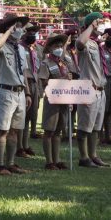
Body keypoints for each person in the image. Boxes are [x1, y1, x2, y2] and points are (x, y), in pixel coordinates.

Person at [0, 13, 32, 176]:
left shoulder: (21, 49)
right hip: (6, 91)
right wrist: (7, 31)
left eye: (20, 26)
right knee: (3, 130)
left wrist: (27, 92)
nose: (19, 29)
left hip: (19, 92)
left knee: (15, 130)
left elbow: (24, 72)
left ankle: (11, 162)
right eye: (16, 26)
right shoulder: (3, 45)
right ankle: (0, 165)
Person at [75, 13, 109, 168]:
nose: (99, 25)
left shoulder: (97, 44)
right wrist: (90, 26)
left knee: (96, 127)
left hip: (100, 90)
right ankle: (84, 157)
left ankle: (93, 155)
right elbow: (80, 42)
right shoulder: (86, 42)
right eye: (97, 22)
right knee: (84, 126)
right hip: (88, 89)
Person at [38, 34, 70, 170]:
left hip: (64, 98)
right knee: (49, 131)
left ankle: (57, 160)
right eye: (56, 46)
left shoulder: (63, 62)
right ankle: (49, 161)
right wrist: (61, 80)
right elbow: (44, 81)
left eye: (61, 46)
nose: (59, 48)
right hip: (52, 99)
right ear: (50, 48)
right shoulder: (46, 63)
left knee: (58, 131)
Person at [18, 22, 41, 156]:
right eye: (29, 33)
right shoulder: (20, 47)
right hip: (24, 82)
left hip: (34, 83)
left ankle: (25, 144)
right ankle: (19, 146)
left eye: (34, 33)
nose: (32, 35)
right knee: (22, 115)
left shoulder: (35, 49)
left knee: (31, 116)